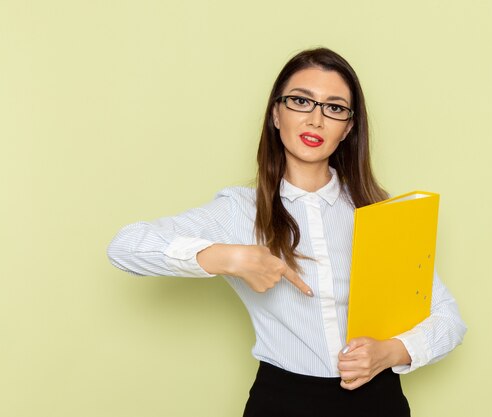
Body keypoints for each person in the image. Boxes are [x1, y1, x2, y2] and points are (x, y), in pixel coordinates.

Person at [107, 47, 467, 417]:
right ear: (276, 114)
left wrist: (390, 352)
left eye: (335, 107)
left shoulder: (382, 213)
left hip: (378, 401)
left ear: (348, 128)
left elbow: (448, 318)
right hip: (282, 401)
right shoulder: (240, 211)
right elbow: (125, 246)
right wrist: (229, 258)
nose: (316, 120)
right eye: (300, 101)